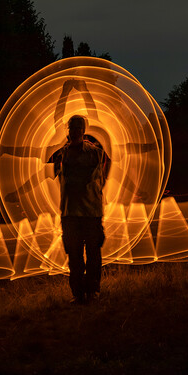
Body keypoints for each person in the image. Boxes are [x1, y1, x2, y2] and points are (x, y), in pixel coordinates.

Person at [48, 115, 111, 304]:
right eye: (71, 128)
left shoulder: (95, 153)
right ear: (68, 131)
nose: (74, 132)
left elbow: (100, 169)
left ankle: (92, 291)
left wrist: (100, 185)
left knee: (93, 254)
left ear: (83, 131)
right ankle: (78, 294)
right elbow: (50, 174)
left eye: (78, 128)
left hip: (90, 213)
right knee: (74, 256)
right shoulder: (62, 154)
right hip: (71, 213)